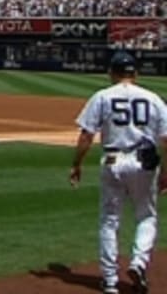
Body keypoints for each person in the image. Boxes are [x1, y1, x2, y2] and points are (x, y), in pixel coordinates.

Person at [69, 51, 167, 294]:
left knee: (109, 221)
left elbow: (86, 135)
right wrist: (166, 171)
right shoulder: (153, 98)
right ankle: (138, 262)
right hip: (144, 164)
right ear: (136, 73)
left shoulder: (102, 96)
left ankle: (110, 280)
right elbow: (166, 139)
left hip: (112, 161)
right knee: (146, 216)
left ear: (112, 72)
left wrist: (77, 165)